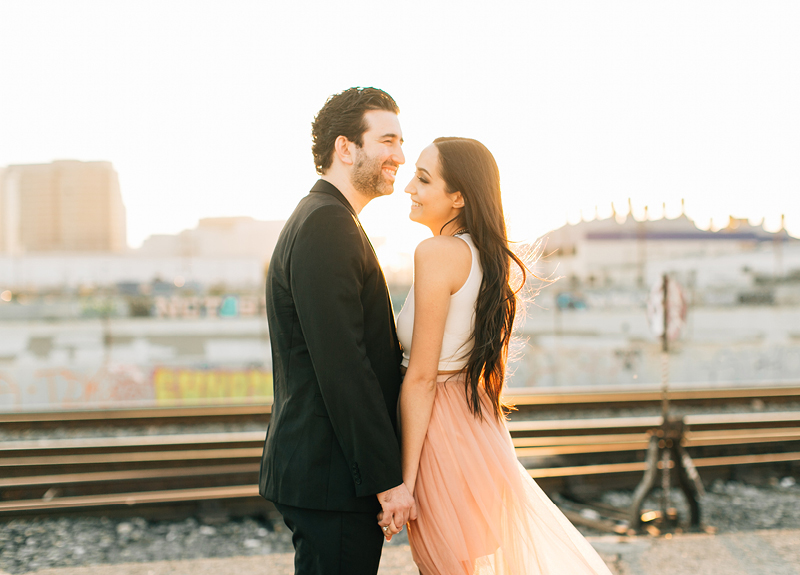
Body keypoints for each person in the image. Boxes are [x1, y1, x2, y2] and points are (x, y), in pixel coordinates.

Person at [392, 137, 613, 574]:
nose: (408, 189)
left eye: (422, 179)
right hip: (475, 429)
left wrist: (405, 483)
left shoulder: (437, 253)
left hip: (437, 430)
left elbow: (420, 378)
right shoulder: (485, 257)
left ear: (458, 197)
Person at [258, 87, 416, 575]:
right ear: (345, 148)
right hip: (333, 477)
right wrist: (385, 481)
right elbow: (344, 367)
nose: (400, 156)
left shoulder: (327, 218)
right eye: (387, 140)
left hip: (328, 472)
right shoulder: (328, 225)